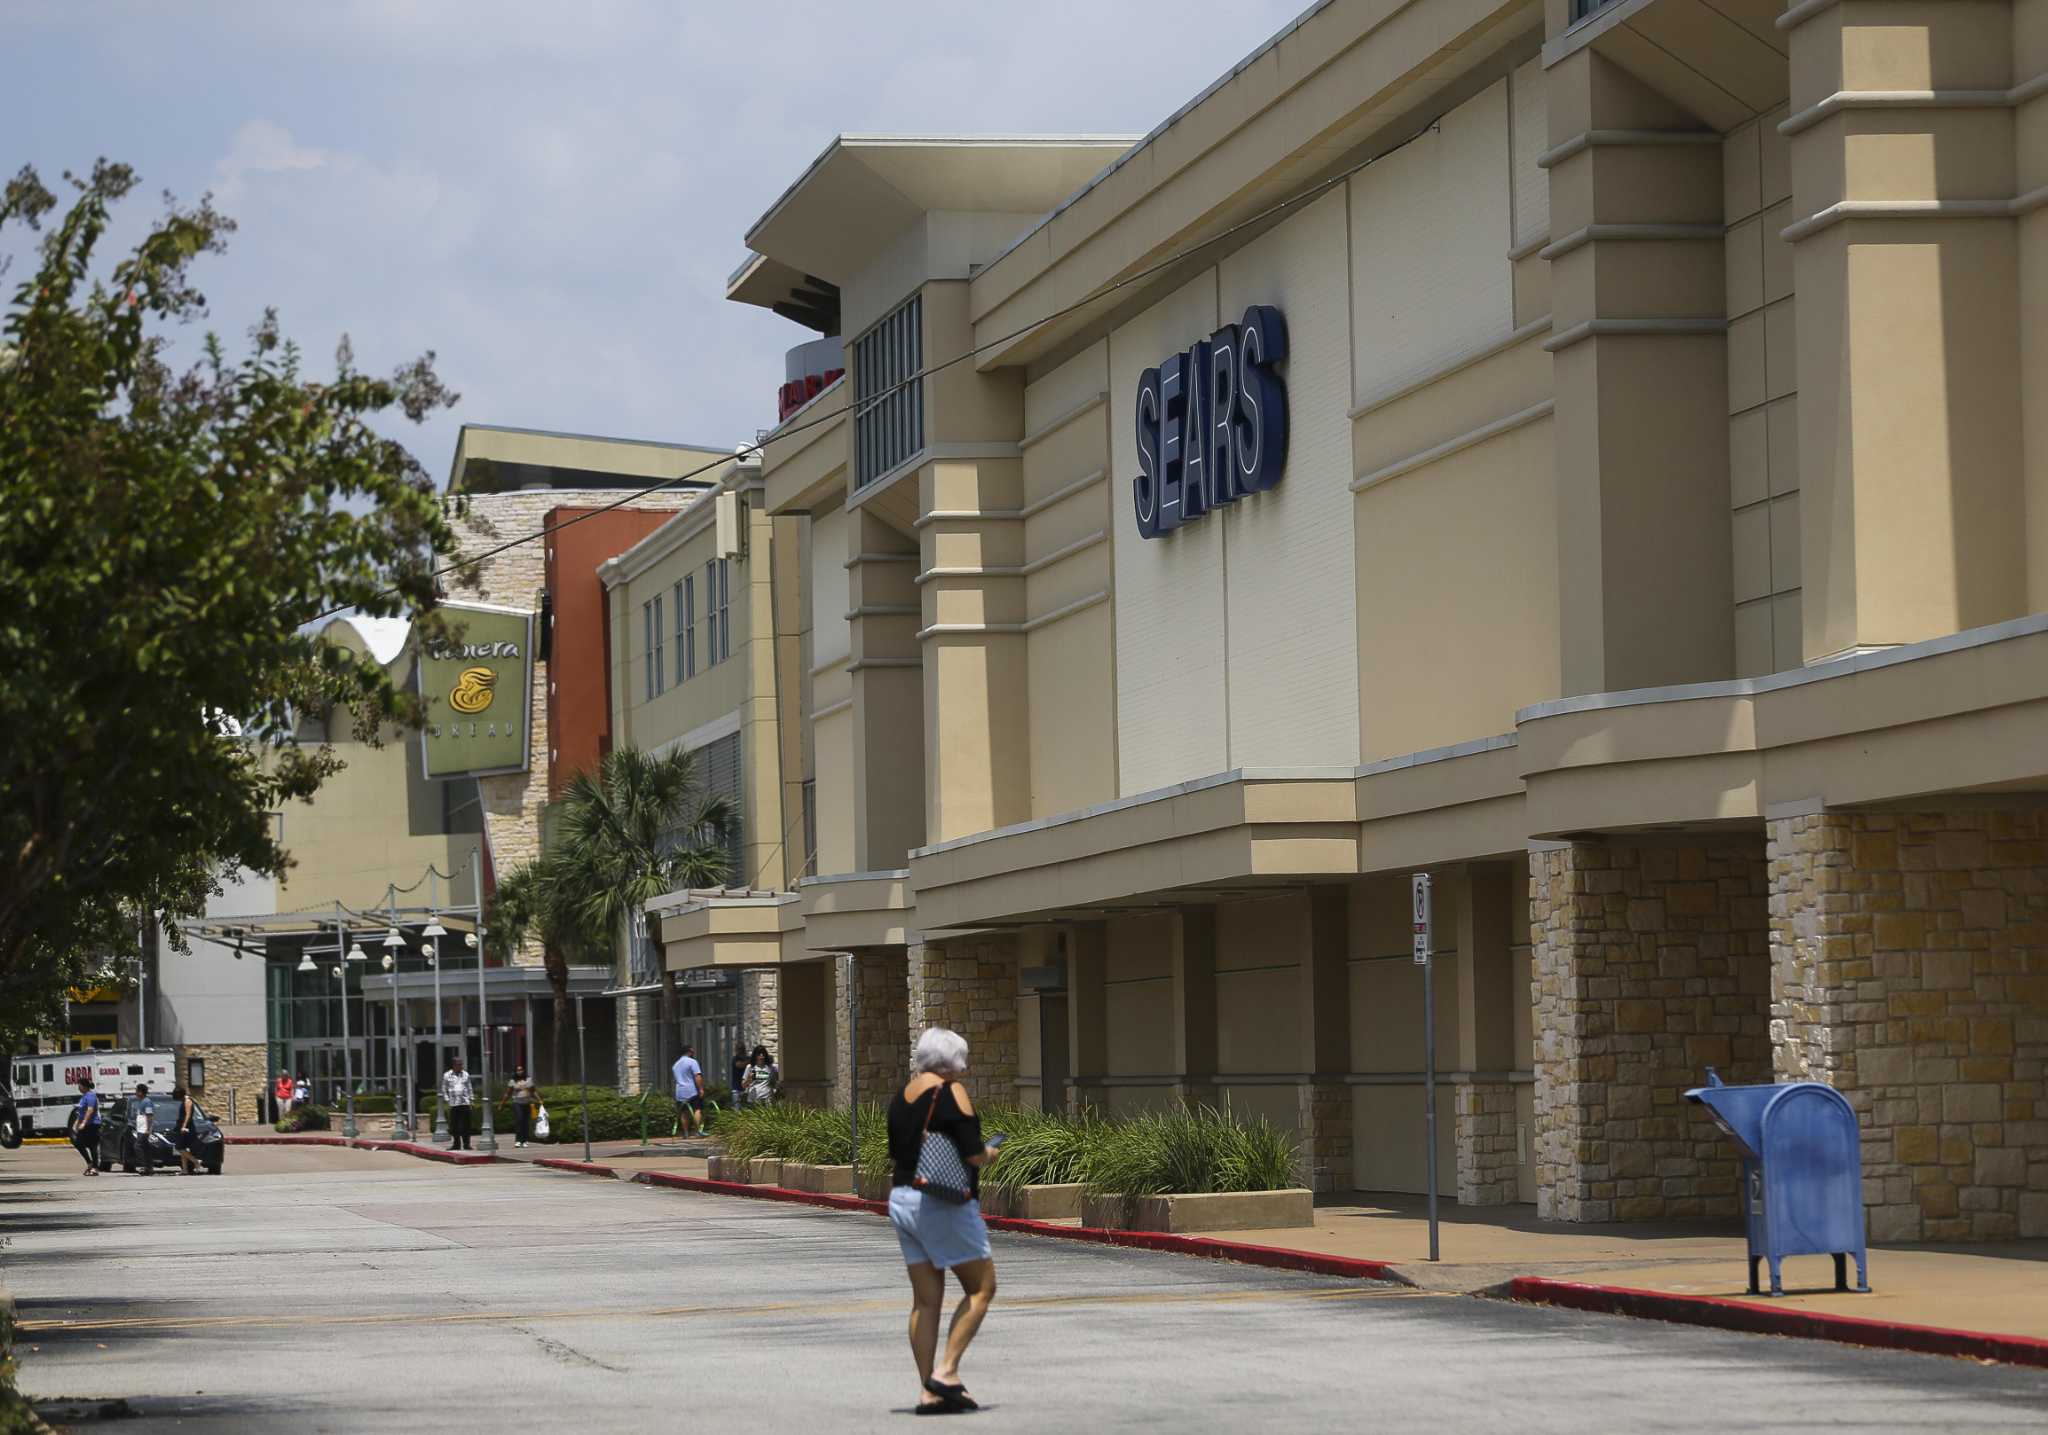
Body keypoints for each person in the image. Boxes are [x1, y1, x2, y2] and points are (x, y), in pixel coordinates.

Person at [887, 1027, 999, 1415]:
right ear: (954, 1060)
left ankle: (927, 1391)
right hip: (941, 1202)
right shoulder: (951, 1092)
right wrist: (989, 1154)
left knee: (925, 1300)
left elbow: (898, 1148)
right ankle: (947, 1372)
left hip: (902, 1199)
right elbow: (972, 1154)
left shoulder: (904, 1095)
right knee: (982, 1287)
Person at [67, 1077, 101, 1176]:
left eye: (80, 1085)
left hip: (92, 1124)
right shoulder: (84, 1097)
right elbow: (80, 1112)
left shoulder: (90, 1096)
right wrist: (76, 1124)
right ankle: (89, 1163)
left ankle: (95, 1167)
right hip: (85, 1124)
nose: (79, 1087)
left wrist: (84, 1123)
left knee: (92, 1146)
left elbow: (90, 1110)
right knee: (78, 1142)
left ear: (84, 1086)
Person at [441, 1055, 475, 1150]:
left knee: (466, 1125)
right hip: (454, 1104)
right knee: (454, 1126)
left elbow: (469, 1088)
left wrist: (471, 1099)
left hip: (465, 1103)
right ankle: (456, 1144)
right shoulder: (447, 1075)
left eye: (461, 1064)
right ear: (453, 1065)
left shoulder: (465, 1074)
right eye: (458, 1064)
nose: (460, 1066)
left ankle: (467, 1144)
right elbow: (444, 1089)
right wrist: (447, 1099)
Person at [671, 1045, 704, 1138]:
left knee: (684, 1112)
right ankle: (698, 1131)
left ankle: (686, 1133)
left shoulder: (676, 1065)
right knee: (697, 1109)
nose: (693, 1053)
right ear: (689, 1052)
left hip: (680, 1091)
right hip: (691, 1090)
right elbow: (697, 1076)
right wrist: (701, 1089)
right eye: (692, 1051)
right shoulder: (692, 1062)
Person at [168, 1085, 200, 1176]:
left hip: (186, 1127)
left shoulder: (188, 1101)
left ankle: (196, 1161)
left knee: (179, 1147)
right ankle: (185, 1169)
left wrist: (184, 1126)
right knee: (183, 1147)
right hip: (181, 1126)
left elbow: (188, 1115)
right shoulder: (183, 1101)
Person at [506, 1065, 539, 1149]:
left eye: (521, 1070)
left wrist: (539, 1100)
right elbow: (508, 1093)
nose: (519, 1071)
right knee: (519, 1120)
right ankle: (518, 1140)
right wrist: (502, 1103)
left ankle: (525, 1140)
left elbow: (533, 1091)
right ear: (515, 1071)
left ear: (523, 1071)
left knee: (525, 1122)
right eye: (518, 1070)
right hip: (517, 1103)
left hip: (527, 1103)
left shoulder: (528, 1080)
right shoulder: (513, 1081)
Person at [129, 1083, 158, 1176]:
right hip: (140, 1129)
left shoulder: (147, 1102)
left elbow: (149, 1116)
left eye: (137, 1091)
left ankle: (144, 1166)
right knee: (146, 1148)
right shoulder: (141, 1102)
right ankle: (149, 1168)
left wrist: (148, 1129)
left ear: (141, 1092)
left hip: (144, 1129)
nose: (135, 1093)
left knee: (137, 1146)